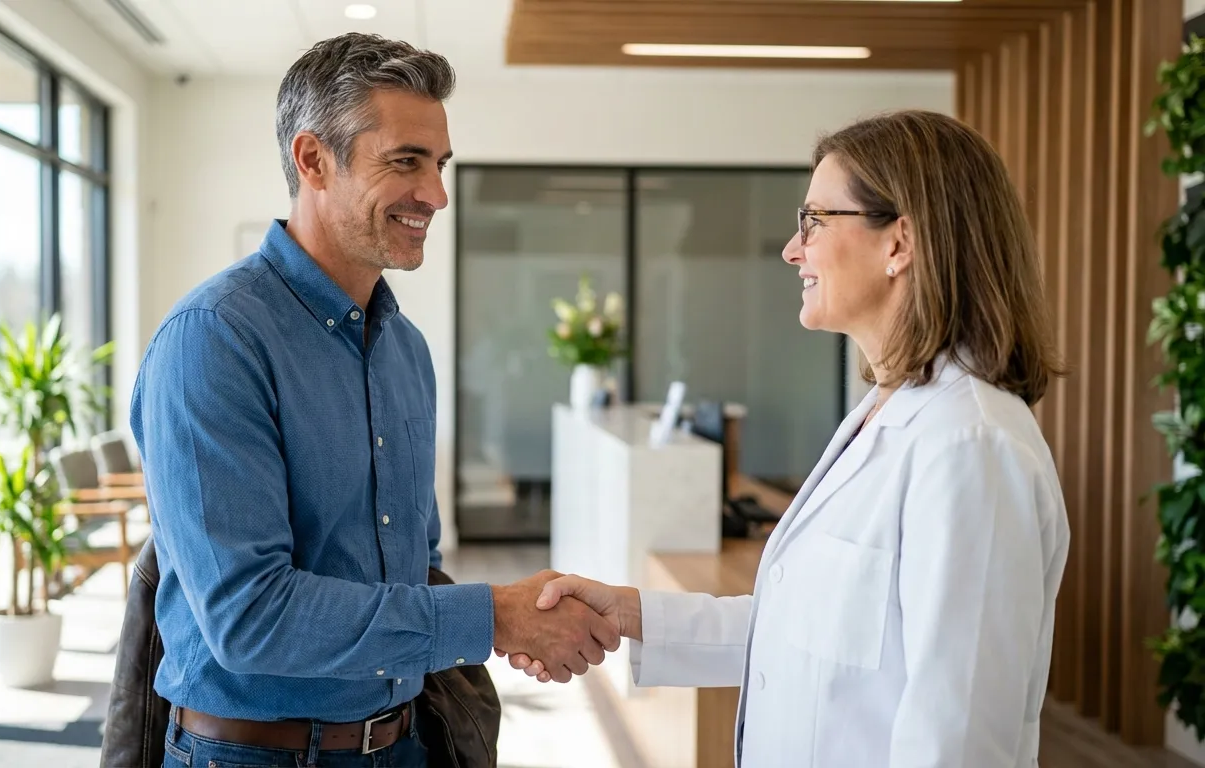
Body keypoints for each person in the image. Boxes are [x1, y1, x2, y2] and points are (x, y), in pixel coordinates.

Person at [502, 110, 1071, 768]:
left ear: (899, 243)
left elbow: (960, 736)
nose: (792, 249)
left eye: (814, 221)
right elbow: (801, 632)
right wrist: (632, 614)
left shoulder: (971, 447)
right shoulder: (885, 415)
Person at [131, 33, 618, 768]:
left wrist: (527, 621)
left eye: (440, 164)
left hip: (404, 741)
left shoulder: (405, 350)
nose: (437, 194)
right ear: (312, 160)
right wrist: (493, 618)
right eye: (406, 161)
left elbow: (412, 566)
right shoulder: (215, 340)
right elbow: (249, 617)